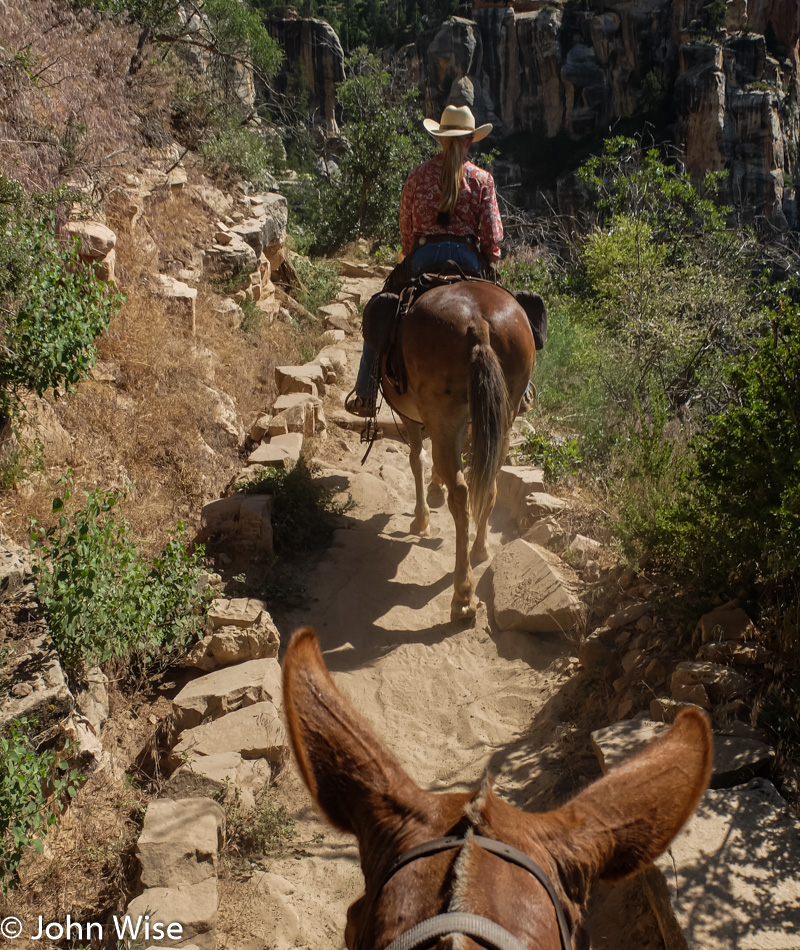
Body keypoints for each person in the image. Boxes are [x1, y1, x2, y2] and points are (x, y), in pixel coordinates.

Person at [346, 104, 503, 417]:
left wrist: (412, 252)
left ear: (440, 140)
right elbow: (492, 233)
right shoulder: (482, 180)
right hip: (469, 260)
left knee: (381, 306)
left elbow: (406, 226)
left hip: (423, 256)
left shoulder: (417, 176)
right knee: (505, 310)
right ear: (470, 140)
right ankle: (522, 389)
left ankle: (365, 392)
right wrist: (492, 260)